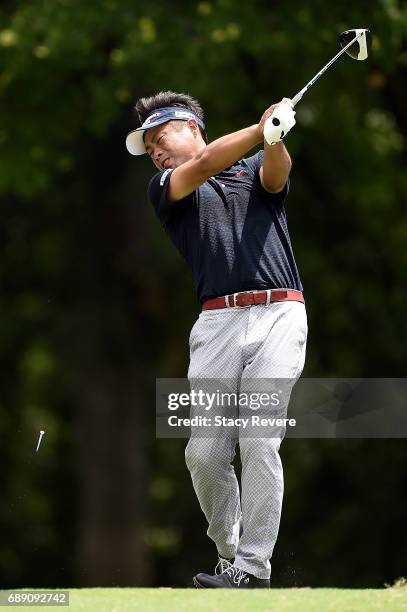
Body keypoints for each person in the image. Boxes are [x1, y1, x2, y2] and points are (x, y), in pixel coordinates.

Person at [126, 91, 308, 589]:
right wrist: (261, 124)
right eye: (150, 147)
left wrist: (274, 136)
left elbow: (276, 173)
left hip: (279, 314)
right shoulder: (165, 187)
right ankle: (232, 553)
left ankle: (253, 568)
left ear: (191, 127)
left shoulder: (252, 168)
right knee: (203, 454)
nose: (156, 152)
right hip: (216, 326)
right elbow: (208, 162)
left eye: (160, 138)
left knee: (258, 438)